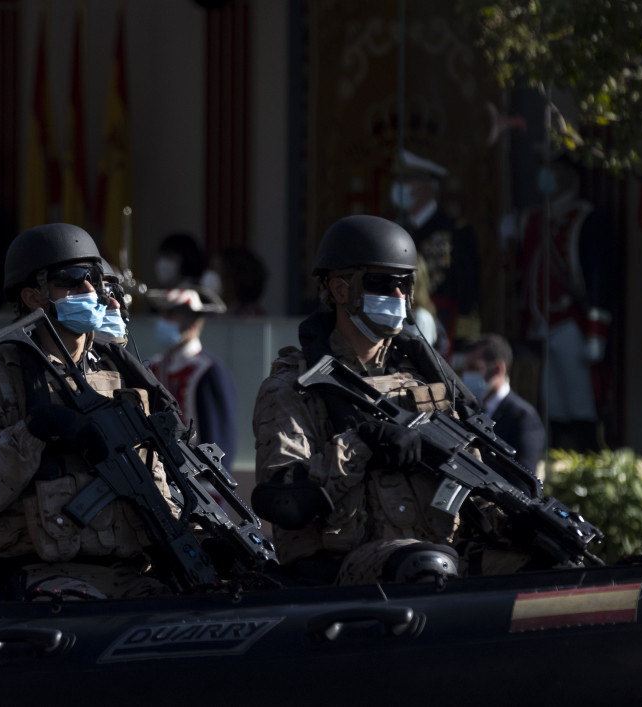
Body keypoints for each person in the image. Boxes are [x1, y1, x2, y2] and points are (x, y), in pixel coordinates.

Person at [251, 215, 515, 586]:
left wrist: (511, 519)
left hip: (437, 551)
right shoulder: (294, 387)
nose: (397, 297)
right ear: (340, 289)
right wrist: (363, 443)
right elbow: (286, 499)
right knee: (425, 564)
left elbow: (471, 477)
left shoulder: (427, 382)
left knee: (541, 559)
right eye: (380, 284)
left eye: (405, 284)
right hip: (340, 568)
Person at [0, 223, 175, 600]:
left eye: (95, 279)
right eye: (70, 280)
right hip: (40, 578)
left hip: (131, 575)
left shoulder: (120, 379)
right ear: (34, 297)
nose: (90, 291)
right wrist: (32, 433)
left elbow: (158, 490)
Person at [518, 155, 615, 452]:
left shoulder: (586, 218)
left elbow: (600, 278)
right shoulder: (534, 220)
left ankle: (587, 452)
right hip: (543, 324)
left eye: (555, 171)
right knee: (554, 404)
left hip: (573, 323)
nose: (547, 176)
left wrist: (596, 332)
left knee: (579, 400)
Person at [390, 149, 481, 343]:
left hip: (443, 328)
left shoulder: (455, 231)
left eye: (408, 181)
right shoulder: (398, 229)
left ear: (428, 185)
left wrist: (460, 337)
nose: (400, 187)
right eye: (399, 181)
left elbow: (466, 286)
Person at [147, 288, 237, 472]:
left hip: (200, 485)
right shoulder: (153, 367)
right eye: (163, 314)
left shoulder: (209, 370)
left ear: (193, 322)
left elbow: (220, 438)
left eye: (172, 315)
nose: (164, 321)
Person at [463, 334, 546, 475]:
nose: (466, 374)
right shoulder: (470, 409)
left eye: (474, 368)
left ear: (497, 369)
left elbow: (523, 483)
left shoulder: (523, 417)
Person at [153, 232, 222, 294]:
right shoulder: (163, 293)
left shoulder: (205, 283)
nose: (163, 262)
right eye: (162, 256)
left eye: (169, 255)